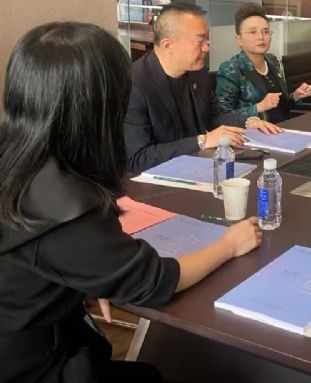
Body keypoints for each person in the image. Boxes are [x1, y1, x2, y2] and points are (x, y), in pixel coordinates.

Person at [0, 22, 262, 383]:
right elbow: (154, 280)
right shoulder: (63, 206)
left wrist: (85, 276)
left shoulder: (16, 157)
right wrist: (229, 244)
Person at [124, 3, 281, 174]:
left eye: (207, 39)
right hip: (157, 180)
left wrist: (248, 122)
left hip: (198, 169)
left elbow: (215, 116)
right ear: (168, 44)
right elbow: (137, 159)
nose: (206, 47)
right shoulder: (134, 83)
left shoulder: (196, 73)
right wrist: (202, 141)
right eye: (200, 41)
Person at [216, 3, 311, 124]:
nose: (261, 37)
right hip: (255, 132)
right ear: (239, 39)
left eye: (266, 32)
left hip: (283, 127)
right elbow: (222, 117)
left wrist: (296, 96)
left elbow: (280, 105)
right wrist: (259, 107)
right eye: (253, 32)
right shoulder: (231, 69)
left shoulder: (272, 60)